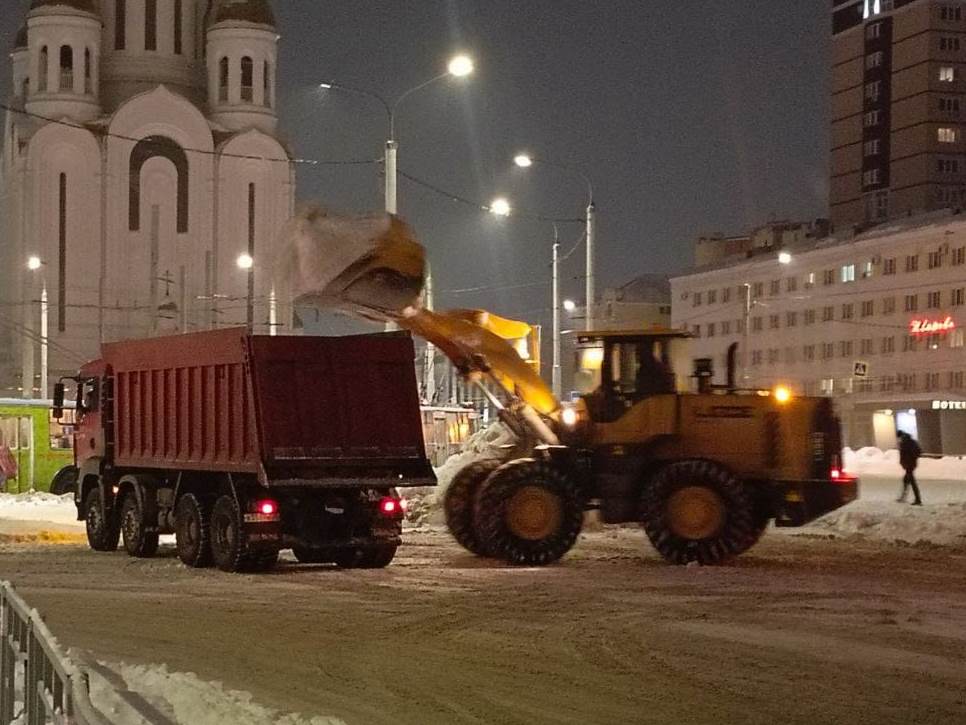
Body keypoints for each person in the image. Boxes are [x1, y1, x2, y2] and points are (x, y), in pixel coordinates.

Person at [896, 430, 923, 506]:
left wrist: (905, 462)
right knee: (906, 480)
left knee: (912, 482)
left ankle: (918, 499)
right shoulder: (911, 441)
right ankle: (903, 497)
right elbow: (918, 451)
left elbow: (904, 454)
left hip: (909, 465)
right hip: (911, 464)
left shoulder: (905, 443)